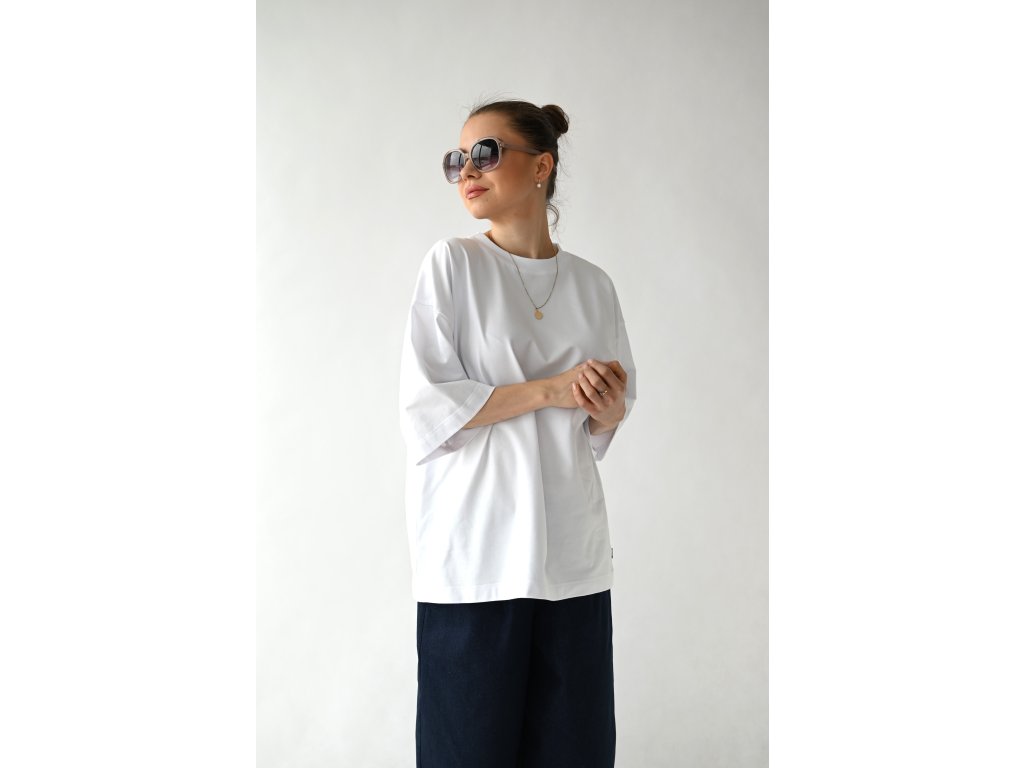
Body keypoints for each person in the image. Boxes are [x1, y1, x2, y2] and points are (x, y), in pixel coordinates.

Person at [398, 98, 637, 768]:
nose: (467, 171)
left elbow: (603, 424)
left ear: (541, 166)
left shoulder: (593, 285)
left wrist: (606, 405)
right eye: (457, 160)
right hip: (475, 560)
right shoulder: (453, 265)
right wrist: (553, 390)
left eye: (486, 152)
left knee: (576, 755)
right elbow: (426, 408)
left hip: (570, 561)